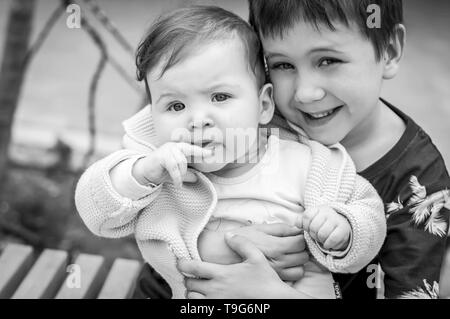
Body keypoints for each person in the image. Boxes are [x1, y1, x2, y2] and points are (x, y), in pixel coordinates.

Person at [74, 5, 386, 299]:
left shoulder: (307, 163)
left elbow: (369, 213)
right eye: (176, 105)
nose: (198, 120)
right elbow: (96, 212)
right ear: (153, 117)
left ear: (263, 105)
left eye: (220, 96)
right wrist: (141, 173)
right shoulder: (162, 174)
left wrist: (344, 228)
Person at [178, 0, 450, 299]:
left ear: (389, 50)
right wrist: (215, 245)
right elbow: (152, 197)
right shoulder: (250, 115)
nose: (305, 93)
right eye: (282, 65)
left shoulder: (418, 186)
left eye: (328, 60)